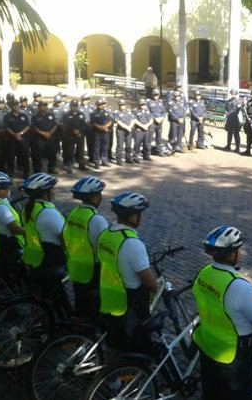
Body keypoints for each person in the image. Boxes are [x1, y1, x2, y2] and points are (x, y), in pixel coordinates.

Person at [192, 226, 252, 400]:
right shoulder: (240, 286)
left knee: (212, 392)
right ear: (232, 254)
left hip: (208, 347)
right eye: (238, 250)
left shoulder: (203, 273)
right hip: (234, 357)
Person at [97, 192, 158, 351]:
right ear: (132, 216)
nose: (141, 217)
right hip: (131, 305)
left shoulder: (106, 234)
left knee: (115, 342)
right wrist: (157, 291)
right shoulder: (132, 243)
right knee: (135, 345)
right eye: (139, 214)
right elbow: (150, 282)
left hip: (110, 298)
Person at [21, 173, 71, 311]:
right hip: (50, 260)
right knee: (52, 297)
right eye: (52, 189)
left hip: (34, 256)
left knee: (41, 295)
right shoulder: (48, 212)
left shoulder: (28, 208)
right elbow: (65, 238)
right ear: (44, 194)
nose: (55, 191)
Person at [63, 177, 108, 320]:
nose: (100, 197)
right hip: (93, 271)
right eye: (99, 194)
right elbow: (104, 249)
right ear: (94, 197)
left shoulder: (74, 213)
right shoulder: (96, 219)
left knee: (80, 306)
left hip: (76, 267)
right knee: (94, 312)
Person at [3, 99, 31, 179]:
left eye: (17, 105)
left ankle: (26, 172)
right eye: (14, 105)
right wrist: (15, 135)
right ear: (11, 107)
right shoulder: (7, 116)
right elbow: (6, 127)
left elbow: (28, 126)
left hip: (23, 139)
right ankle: (11, 173)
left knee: (25, 156)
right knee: (11, 157)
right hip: (12, 140)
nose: (16, 107)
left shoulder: (23, 115)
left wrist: (21, 133)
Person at [31, 101, 59, 174]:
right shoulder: (35, 116)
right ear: (39, 107)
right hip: (40, 138)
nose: (45, 107)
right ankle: (38, 169)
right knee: (39, 154)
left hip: (50, 137)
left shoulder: (51, 115)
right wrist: (43, 133)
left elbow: (55, 125)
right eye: (43, 106)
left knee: (52, 154)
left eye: (46, 106)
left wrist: (50, 133)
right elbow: (34, 127)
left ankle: (51, 168)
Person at [63, 99, 89, 173]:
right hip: (71, 136)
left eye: (76, 106)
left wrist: (80, 132)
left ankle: (81, 165)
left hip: (80, 136)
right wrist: (73, 131)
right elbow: (66, 126)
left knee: (81, 152)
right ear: (71, 106)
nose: (75, 108)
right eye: (73, 106)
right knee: (70, 151)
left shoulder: (81, 114)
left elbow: (84, 125)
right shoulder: (67, 115)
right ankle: (70, 166)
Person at [90, 98, 113, 169]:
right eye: (101, 105)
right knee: (97, 148)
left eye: (103, 104)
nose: (103, 106)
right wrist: (101, 128)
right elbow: (93, 123)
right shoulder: (93, 113)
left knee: (105, 147)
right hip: (97, 133)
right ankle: (97, 162)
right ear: (97, 105)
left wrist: (105, 127)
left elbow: (110, 121)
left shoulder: (106, 112)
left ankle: (105, 161)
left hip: (106, 132)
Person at [114, 100, 135, 165]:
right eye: (121, 105)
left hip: (129, 131)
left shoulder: (129, 112)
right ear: (119, 106)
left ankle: (128, 158)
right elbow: (118, 122)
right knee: (120, 146)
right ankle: (119, 160)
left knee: (128, 146)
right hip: (121, 131)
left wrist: (130, 127)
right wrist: (127, 127)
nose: (123, 106)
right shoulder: (116, 112)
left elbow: (133, 120)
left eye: (124, 105)